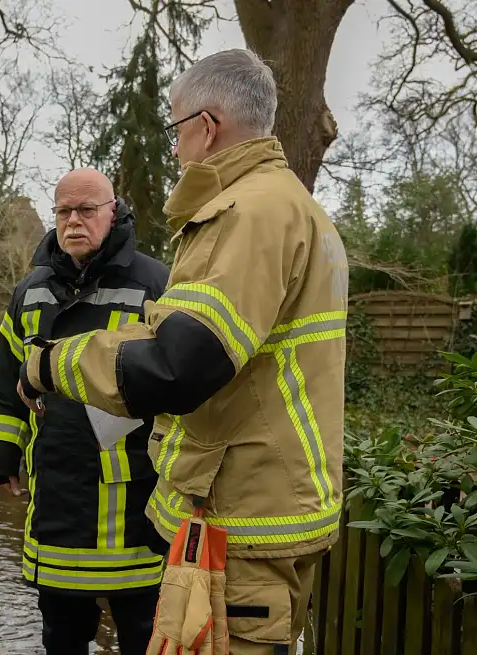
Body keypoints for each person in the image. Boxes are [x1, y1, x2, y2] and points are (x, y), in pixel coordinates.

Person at [18, 49, 349, 655]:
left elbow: (178, 365)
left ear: (207, 125)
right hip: (266, 498)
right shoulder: (293, 205)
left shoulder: (247, 211)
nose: (174, 149)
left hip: (245, 512)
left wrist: (47, 363)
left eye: (175, 130)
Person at [0, 168, 170, 655]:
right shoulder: (31, 290)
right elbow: (7, 380)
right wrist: (2, 449)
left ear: (114, 211)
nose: (74, 221)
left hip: (137, 495)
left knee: (145, 632)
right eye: (64, 211)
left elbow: (179, 379)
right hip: (56, 493)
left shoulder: (156, 282)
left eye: (87, 210)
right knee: (61, 633)